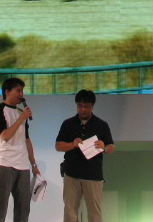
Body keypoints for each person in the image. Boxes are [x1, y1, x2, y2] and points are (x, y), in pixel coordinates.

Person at [55, 89, 114, 222]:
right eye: (80, 106)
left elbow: (111, 147)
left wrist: (103, 147)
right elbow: (58, 146)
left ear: (92, 106)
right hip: (71, 174)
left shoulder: (101, 125)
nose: (83, 110)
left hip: (93, 174)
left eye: (86, 106)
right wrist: (72, 144)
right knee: (70, 212)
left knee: (94, 213)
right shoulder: (68, 123)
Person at [0, 78, 40, 222]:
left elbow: (27, 140)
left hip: (22, 165)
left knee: (23, 209)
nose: (21, 94)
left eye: (22, 91)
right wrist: (21, 118)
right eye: (18, 90)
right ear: (7, 91)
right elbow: (5, 136)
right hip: (3, 164)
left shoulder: (20, 113)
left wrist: (34, 164)